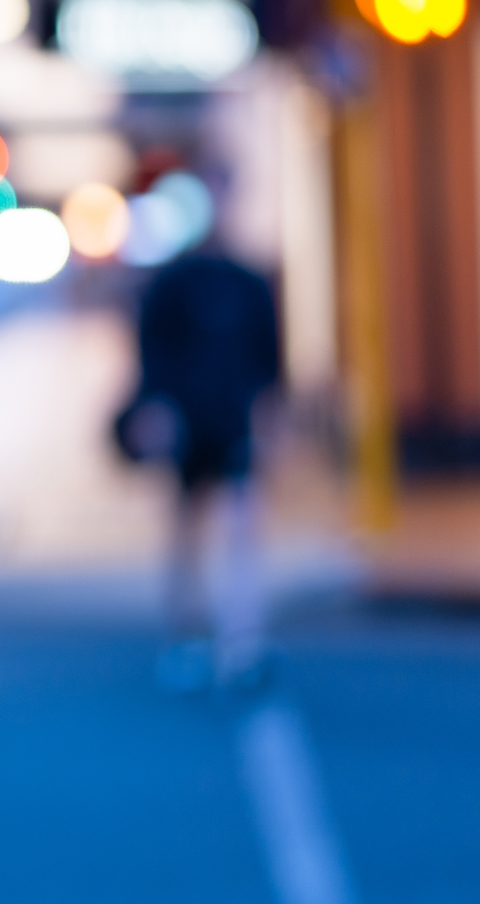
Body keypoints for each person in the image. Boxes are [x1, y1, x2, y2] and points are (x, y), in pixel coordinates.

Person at [119, 238, 280, 690]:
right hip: (189, 423)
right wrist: (157, 410)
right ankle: (187, 636)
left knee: (241, 526)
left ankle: (242, 637)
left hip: (234, 421)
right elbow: (151, 356)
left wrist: (270, 421)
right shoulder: (175, 281)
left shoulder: (245, 281)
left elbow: (268, 358)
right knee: (188, 532)